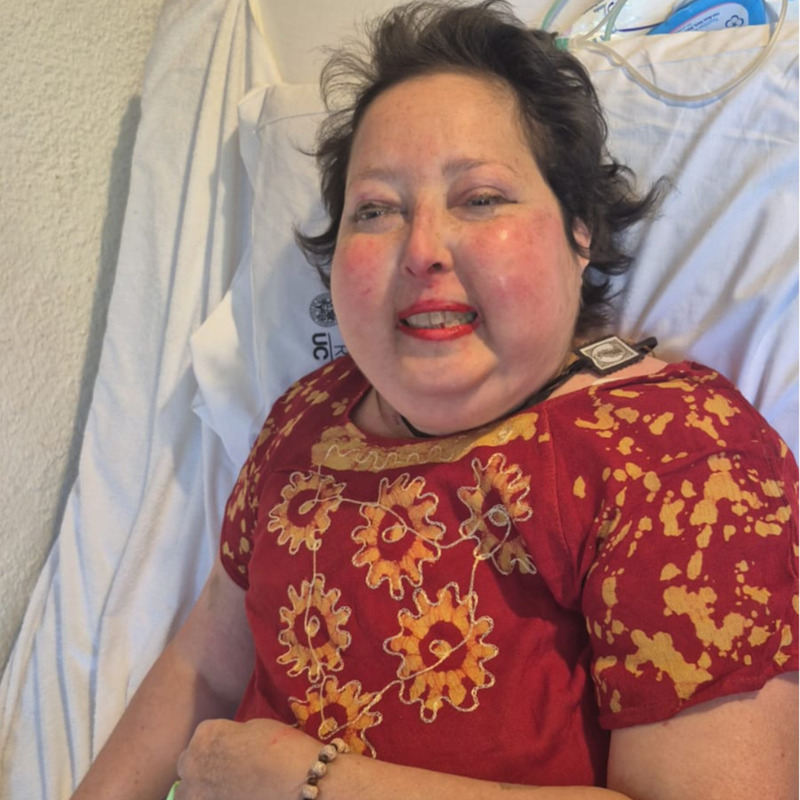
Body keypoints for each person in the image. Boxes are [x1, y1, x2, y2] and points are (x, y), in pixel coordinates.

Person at [71, 1, 798, 798]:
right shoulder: (305, 417)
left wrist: (308, 783)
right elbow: (208, 659)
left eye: (480, 198)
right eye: (376, 210)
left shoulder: (682, 458)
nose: (420, 250)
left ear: (579, 231)